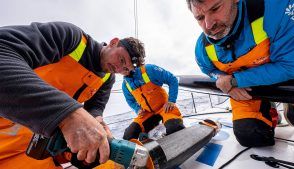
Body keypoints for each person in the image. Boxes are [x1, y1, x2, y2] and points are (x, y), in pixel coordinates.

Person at [0, 22, 143, 168]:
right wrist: (68, 115)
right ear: (114, 43)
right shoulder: (72, 38)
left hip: (32, 148)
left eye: (124, 68)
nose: (118, 68)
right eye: (121, 59)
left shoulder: (107, 79)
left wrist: (96, 122)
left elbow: (96, 107)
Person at [186, 0, 294, 147]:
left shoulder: (280, 8)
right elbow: (208, 70)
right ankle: (270, 112)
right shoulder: (202, 49)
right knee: (250, 135)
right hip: (248, 90)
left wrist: (235, 80)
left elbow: (292, 66)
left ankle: (292, 107)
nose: (208, 25)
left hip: (289, 81)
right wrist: (221, 78)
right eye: (200, 18)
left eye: (215, 9)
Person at [122, 59, 185, 141]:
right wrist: (138, 109)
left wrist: (171, 101)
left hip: (164, 108)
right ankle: (145, 146)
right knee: (128, 135)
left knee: (174, 127)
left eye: (123, 62)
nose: (121, 68)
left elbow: (172, 79)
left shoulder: (149, 69)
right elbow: (130, 101)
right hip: (147, 113)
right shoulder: (125, 85)